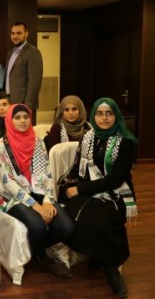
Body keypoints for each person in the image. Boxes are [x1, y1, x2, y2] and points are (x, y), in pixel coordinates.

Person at [63, 98, 138, 297]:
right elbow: (78, 167)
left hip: (116, 193)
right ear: (94, 116)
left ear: (116, 116)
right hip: (91, 190)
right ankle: (95, 253)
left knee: (101, 221)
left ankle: (112, 269)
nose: (104, 118)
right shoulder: (88, 137)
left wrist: (80, 189)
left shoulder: (126, 141)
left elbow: (116, 179)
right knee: (72, 214)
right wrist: (70, 185)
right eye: (99, 113)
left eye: (109, 113)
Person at [0, 104, 74, 278]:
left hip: (40, 191)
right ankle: (42, 257)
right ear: (10, 121)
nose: (22, 121)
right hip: (15, 197)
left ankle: (37, 246)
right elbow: (8, 183)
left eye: (26, 117)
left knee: (66, 228)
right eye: (17, 118)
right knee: (37, 226)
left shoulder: (37, 141)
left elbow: (47, 173)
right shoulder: (2, 145)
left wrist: (46, 201)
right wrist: (36, 206)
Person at [5, 22, 43, 124]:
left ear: (26, 34)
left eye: (19, 33)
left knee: (25, 132)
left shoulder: (32, 52)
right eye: (13, 33)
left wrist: (28, 106)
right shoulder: (11, 53)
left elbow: (34, 82)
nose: (15, 36)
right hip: (10, 102)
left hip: (24, 104)